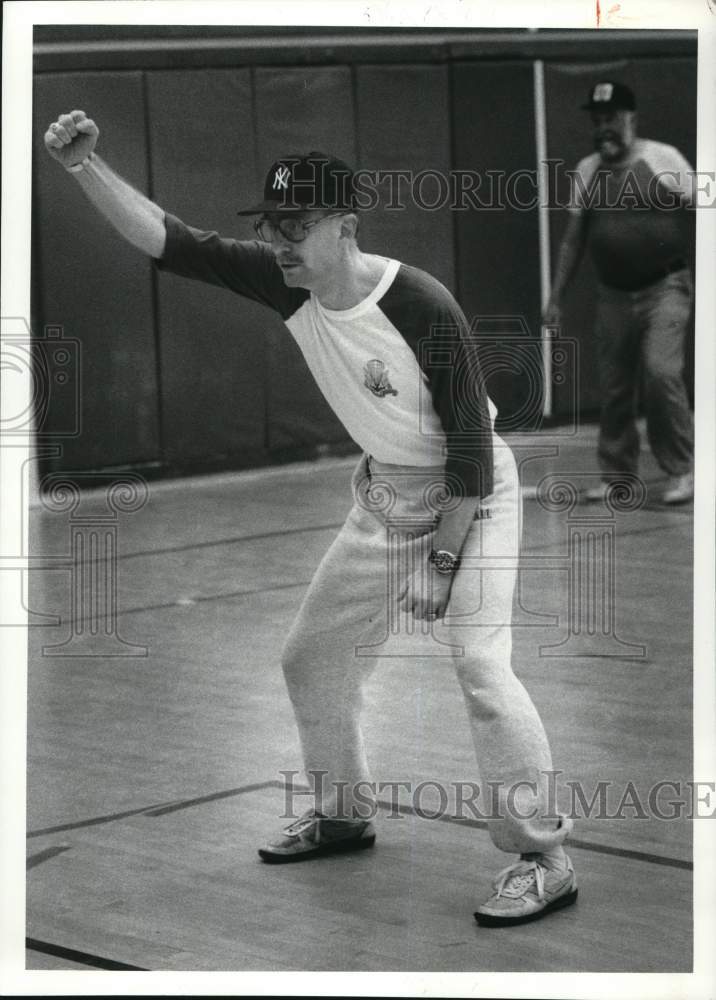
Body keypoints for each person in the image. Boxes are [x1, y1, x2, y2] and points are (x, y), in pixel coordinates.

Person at [44, 109, 577, 927]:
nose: (283, 239)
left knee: (480, 664)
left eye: (299, 223)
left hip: (475, 494)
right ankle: (340, 813)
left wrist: (442, 564)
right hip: (384, 496)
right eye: (275, 224)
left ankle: (544, 856)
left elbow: (472, 447)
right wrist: (87, 167)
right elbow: (173, 241)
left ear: (346, 227)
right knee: (311, 658)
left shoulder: (421, 304)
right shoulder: (283, 284)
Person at [544, 81, 695, 504]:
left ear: (631, 118)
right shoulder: (588, 169)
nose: (603, 128)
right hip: (613, 295)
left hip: (665, 287)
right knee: (614, 388)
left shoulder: (663, 159)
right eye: (597, 120)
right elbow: (573, 241)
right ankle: (617, 476)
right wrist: (556, 297)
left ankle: (682, 470)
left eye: (611, 118)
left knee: (661, 373)